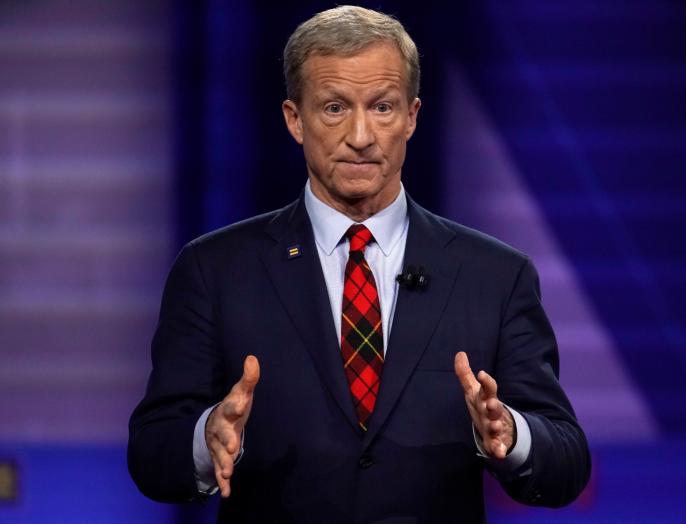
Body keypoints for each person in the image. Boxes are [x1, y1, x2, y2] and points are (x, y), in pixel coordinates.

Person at [128, 5, 590, 523]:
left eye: (383, 107)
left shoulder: (495, 276)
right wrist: (206, 436)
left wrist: (510, 430)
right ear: (294, 120)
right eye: (333, 108)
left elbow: (567, 460)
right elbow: (151, 453)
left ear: (412, 117)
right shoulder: (214, 270)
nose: (362, 135)